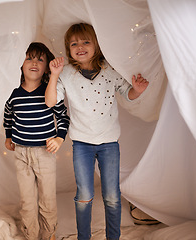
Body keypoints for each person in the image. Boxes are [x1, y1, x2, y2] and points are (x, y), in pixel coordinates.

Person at [46, 23, 149, 240]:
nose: (80, 46)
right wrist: (54, 74)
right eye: (74, 43)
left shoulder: (109, 70)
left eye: (86, 42)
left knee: (112, 196)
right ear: (68, 48)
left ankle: (114, 237)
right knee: (84, 195)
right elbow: (50, 101)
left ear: (96, 45)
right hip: (82, 144)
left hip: (109, 143)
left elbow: (126, 92)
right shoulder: (66, 73)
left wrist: (136, 91)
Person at [3, 42, 70, 240]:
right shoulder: (14, 94)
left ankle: (48, 234)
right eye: (29, 58)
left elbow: (64, 117)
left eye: (40, 59)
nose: (34, 62)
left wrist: (59, 138)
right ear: (21, 64)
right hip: (21, 153)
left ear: (47, 66)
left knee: (47, 199)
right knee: (27, 200)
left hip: (44, 153)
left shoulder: (49, 92)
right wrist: (8, 135)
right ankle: (31, 234)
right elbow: (8, 115)